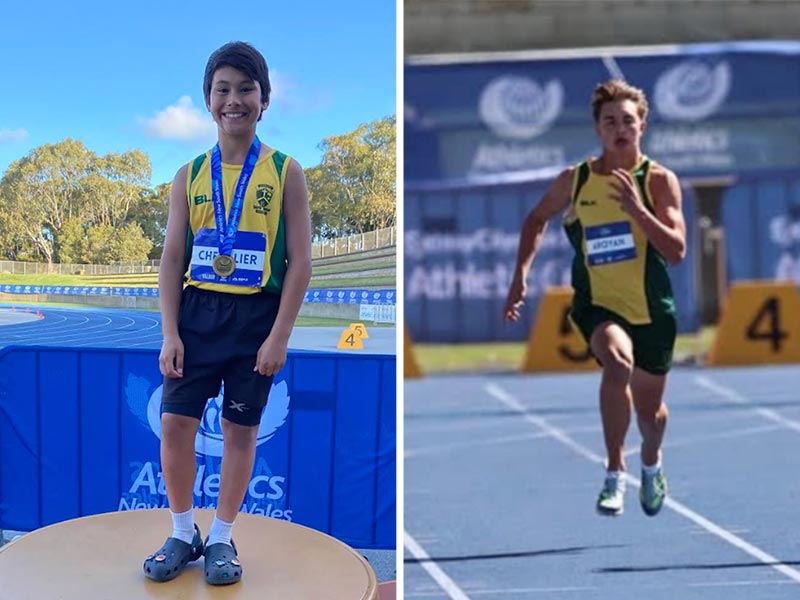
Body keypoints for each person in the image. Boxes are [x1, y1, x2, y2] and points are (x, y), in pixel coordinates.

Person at [143, 41, 312, 584]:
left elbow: (301, 261)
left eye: (245, 89)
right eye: (223, 89)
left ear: (264, 100)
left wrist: (279, 336)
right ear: (208, 101)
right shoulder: (188, 174)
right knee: (174, 428)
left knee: (240, 435)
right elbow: (171, 260)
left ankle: (220, 538)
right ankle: (181, 530)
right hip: (197, 316)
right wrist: (170, 331)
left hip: (255, 320)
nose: (233, 99)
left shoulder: (286, 172)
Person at [503, 79, 686, 518]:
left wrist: (637, 212)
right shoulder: (577, 179)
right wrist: (520, 277)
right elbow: (535, 220)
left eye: (628, 120)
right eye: (610, 121)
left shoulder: (658, 181)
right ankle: (614, 470)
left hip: (652, 310)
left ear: (642, 125)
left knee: (652, 416)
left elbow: (677, 251)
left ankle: (651, 462)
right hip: (597, 305)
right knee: (616, 362)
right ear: (598, 129)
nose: (620, 129)